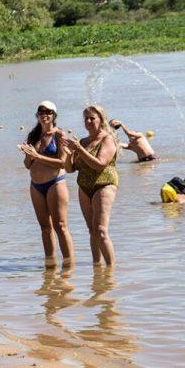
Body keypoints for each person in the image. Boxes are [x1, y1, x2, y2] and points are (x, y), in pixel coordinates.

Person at [18, 101, 74, 267]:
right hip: (35, 185)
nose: (45, 115)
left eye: (48, 112)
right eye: (41, 112)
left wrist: (38, 155)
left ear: (54, 115)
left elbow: (62, 162)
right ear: (37, 115)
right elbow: (28, 165)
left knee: (61, 226)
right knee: (44, 228)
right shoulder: (33, 135)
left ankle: (69, 266)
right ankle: (50, 266)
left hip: (55, 183)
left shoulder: (59, 135)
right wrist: (28, 155)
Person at [64, 105, 118, 266]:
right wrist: (68, 152)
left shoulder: (108, 138)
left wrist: (79, 149)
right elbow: (69, 169)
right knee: (92, 231)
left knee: (101, 231)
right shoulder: (82, 141)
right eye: (85, 118)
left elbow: (100, 164)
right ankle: (97, 269)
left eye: (92, 118)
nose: (88, 121)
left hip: (104, 185)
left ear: (101, 120)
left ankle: (110, 270)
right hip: (84, 187)